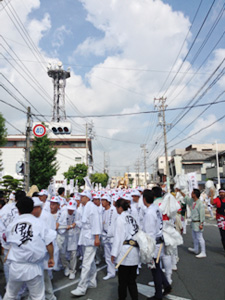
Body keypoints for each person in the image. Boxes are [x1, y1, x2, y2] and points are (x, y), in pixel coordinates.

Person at [3, 197, 55, 300]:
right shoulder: (39, 223)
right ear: (32, 209)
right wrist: (51, 258)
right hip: (33, 266)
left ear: (18, 210)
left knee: (10, 295)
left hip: (16, 265)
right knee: (38, 297)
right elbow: (49, 243)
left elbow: (9, 242)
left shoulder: (12, 225)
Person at [71, 190, 101, 297]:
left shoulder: (91, 207)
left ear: (88, 198)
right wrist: (76, 223)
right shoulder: (84, 207)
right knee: (90, 261)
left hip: (91, 238)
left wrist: (97, 237)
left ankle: (81, 287)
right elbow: (84, 222)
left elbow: (95, 222)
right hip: (85, 237)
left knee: (86, 263)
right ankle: (92, 281)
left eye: (83, 196)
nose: (80, 198)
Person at [143, 189, 172, 300]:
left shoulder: (150, 212)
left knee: (155, 269)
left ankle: (158, 295)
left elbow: (149, 233)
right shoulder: (156, 208)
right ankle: (166, 285)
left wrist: (146, 247)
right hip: (159, 240)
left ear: (144, 199)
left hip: (154, 243)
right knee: (157, 267)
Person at [111, 198, 139, 300]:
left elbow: (118, 238)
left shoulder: (120, 218)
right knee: (132, 281)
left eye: (117, 207)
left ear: (120, 208)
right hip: (134, 251)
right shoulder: (132, 217)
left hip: (125, 253)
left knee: (122, 282)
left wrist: (114, 253)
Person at [32, 197, 57, 300]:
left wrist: (50, 254)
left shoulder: (46, 216)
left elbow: (50, 237)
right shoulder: (33, 217)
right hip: (36, 251)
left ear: (38, 207)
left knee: (43, 276)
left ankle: (49, 296)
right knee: (40, 276)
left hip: (44, 250)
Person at [179, 188, 206, 258]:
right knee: (194, 237)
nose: (191, 194)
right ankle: (196, 249)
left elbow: (202, 214)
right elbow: (186, 198)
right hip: (193, 222)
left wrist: (201, 224)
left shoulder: (200, 203)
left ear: (195, 195)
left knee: (200, 237)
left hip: (198, 222)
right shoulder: (192, 201)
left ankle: (203, 252)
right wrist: (180, 191)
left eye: (192, 193)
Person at [101, 193, 117, 280]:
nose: (102, 202)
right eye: (102, 200)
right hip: (105, 235)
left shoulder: (114, 210)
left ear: (108, 202)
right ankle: (111, 272)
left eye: (104, 200)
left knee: (115, 253)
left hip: (113, 236)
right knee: (108, 255)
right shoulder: (103, 211)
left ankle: (118, 267)